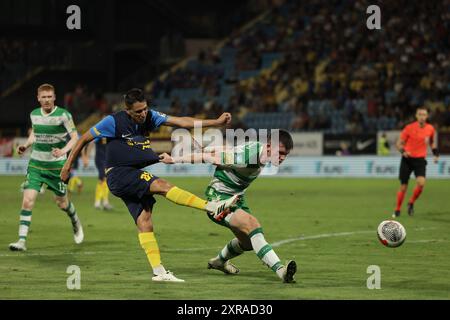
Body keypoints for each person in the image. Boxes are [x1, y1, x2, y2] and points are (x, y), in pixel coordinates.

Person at [60, 88, 238, 282]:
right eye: (138, 111)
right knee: (162, 185)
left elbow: (182, 121)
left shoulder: (151, 117)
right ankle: (211, 207)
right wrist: (67, 166)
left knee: (145, 221)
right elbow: (84, 139)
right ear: (128, 110)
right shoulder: (113, 121)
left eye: (145, 109)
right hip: (119, 174)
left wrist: (216, 122)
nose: (143, 114)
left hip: (130, 173)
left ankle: (159, 272)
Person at [159, 129, 297, 283]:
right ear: (270, 146)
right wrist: (174, 159)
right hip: (218, 200)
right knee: (253, 226)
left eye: (286, 154)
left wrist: (212, 148)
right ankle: (281, 271)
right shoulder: (247, 158)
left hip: (236, 199)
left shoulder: (259, 148)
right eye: (281, 152)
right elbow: (206, 157)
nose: (282, 158)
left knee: (247, 242)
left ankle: (219, 262)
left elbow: (228, 150)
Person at [9, 83, 84, 251]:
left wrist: (63, 150)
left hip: (56, 168)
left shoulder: (64, 115)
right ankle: (21, 241)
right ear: (38, 98)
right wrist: (26, 145)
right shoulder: (34, 114)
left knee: (62, 204)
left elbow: (74, 137)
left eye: (50, 97)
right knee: (27, 201)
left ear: (54, 97)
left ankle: (75, 221)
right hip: (36, 165)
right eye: (44, 97)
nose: (47, 100)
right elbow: (35, 132)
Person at [393, 107, 439, 218]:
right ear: (416, 116)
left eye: (424, 114)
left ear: (427, 116)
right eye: (420, 114)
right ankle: (397, 209)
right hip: (407, 159)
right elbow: (399, 143)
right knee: (403, 186)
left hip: (420, 160)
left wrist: (436, 154)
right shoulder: (409, 128)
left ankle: (411, 202)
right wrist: (403, 151)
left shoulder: (430, 129)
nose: (422, 116)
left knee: (421, 183)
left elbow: (432, 143)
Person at [84, 135, 113, 210]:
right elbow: (91, 144)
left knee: (105, 180)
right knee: (102, 179)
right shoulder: (100, 134)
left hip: (108, 160)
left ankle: (104, 202)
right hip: (100, 160)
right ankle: (98, 202)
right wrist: (87, 156)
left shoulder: (111, 134)